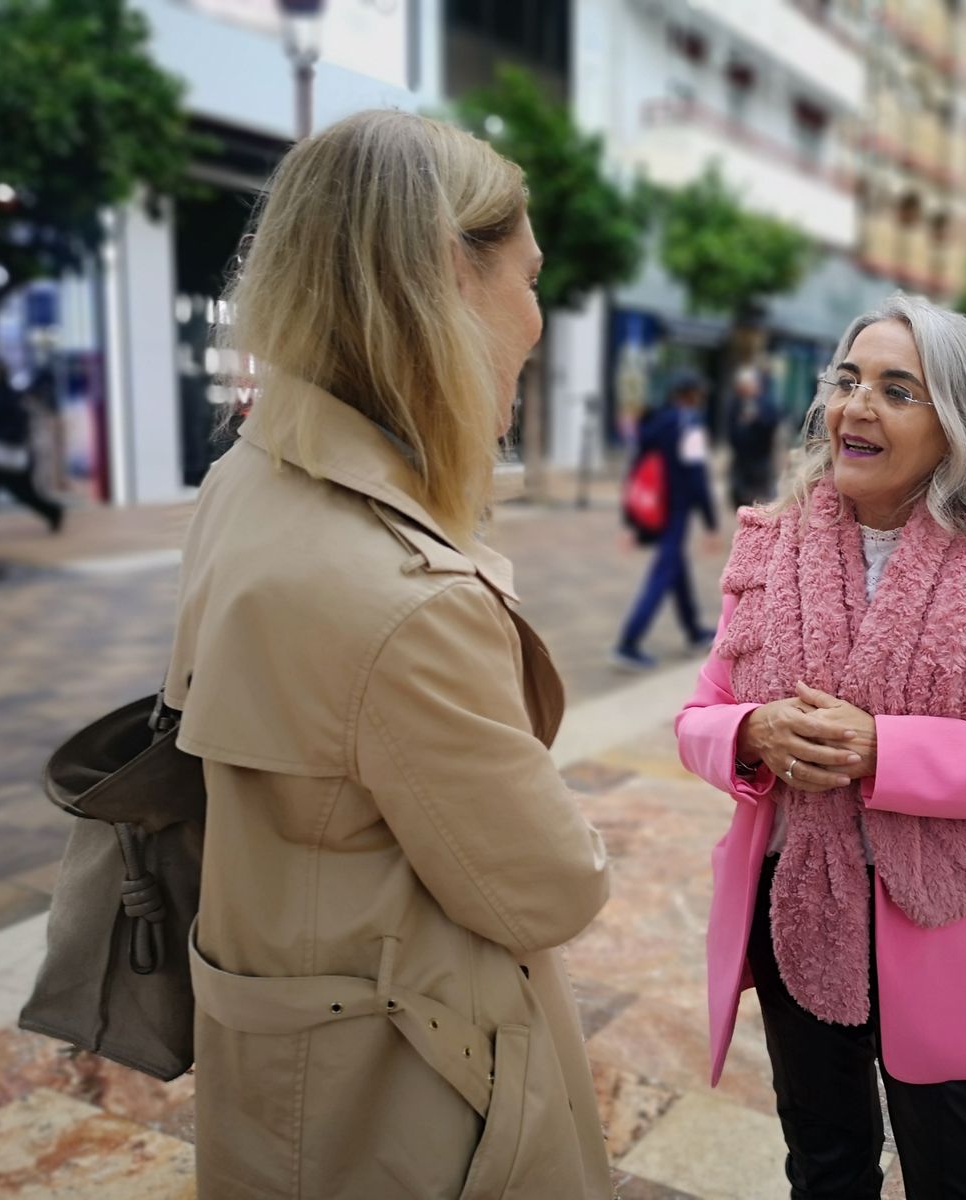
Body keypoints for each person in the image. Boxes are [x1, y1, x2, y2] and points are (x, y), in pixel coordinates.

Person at [163, 111, 612, 1199]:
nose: (538, 319)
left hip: (284, 1056)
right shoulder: (401, 595)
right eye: (529, 279)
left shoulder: (245, 480)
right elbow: (547, 890)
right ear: (451, 281)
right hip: (405, 1086)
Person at [676, 294, 966, 1200]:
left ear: (956, 423)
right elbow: (699, 717)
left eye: (897, 390)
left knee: (962, 1179)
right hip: (800, 912)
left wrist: (888, 751)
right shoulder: (772, 547)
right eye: (848, 381)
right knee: (825, 1171)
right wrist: (751, 732)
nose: (857, 406)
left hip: (958, 928)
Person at [612, 369, 719, 670]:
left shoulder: (655, 422)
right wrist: (710, 523)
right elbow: (697, 477)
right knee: (663, 574)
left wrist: (630, 519)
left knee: (676, 569)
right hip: (677, 510)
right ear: (692, 395)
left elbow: (636, 471)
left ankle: (694, 632)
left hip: (656, 508)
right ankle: (628, 643)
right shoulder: (690, 425)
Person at [0, 357, 64, 535]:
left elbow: (16, 424)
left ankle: (52, 512)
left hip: (7, 455)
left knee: (23, 493)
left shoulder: (7, 395)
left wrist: (2, 437)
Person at [727, 365, 779, 509]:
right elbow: (730, 427)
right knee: (740, 497)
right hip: (741, 458)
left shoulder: (765, 402)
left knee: (761, 498)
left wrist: (756, 420)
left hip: (760, 457)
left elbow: (771, 423)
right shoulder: (736, 402)